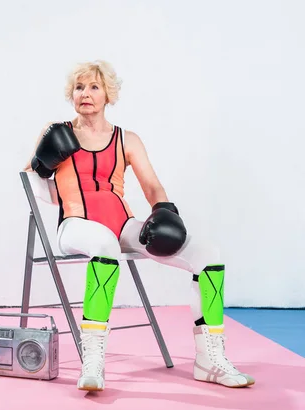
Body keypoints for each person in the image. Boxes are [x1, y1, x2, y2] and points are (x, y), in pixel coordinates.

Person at [23, 60, 255, 391]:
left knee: (209, 254)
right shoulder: (56, 132)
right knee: (104, 244)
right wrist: (40, 163)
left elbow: (152, 186)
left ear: (108, 95)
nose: (85, 94)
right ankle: (93, 360)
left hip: (122, 226)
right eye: (79, 87)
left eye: (94, 87)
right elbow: (31, 179)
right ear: (70, 94)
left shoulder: (126, 139)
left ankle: (210, 360)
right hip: (75, 225)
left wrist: (163, 211)